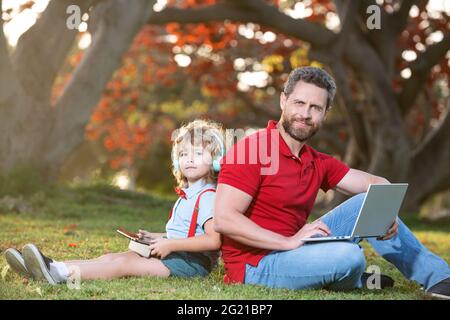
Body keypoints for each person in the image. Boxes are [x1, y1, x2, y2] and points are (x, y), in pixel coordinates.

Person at [213, 66, 450, 299]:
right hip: (256, 266)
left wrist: (386, 213)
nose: (305, 114)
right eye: (299, 103)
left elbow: (376, 183)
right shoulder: (251, 150)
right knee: (349, 257)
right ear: (283, 101)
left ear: (325, 113)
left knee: (369, 202)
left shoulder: (316, 161)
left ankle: (440, 279)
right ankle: (345, 275)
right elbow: (224, 219)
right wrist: (287, 242)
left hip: (296, 250)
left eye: (315, 107)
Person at [5, 119, 224, 284]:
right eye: (184, 154)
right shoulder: (189, 193)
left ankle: (58, 275)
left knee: (124, 264)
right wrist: (157, 238)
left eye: (198, 153)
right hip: (177, 254)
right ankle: (50, 266)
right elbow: (186, 232)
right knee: (111, 257)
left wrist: (170, 244)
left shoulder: (207, 196)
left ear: (214, 160)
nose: (190, 159)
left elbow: (213, 240)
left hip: (190, 265)